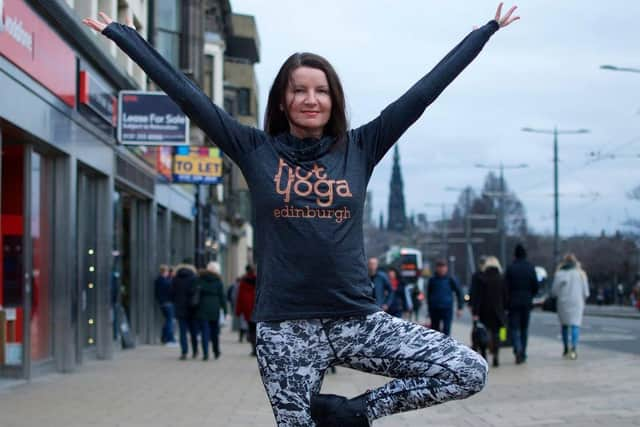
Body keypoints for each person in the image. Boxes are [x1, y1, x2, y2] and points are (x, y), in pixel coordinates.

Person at [83, 5, 518, 424]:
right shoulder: (255, 150)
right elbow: (190, 97)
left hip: (357, 320)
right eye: (299, 90)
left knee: (468, 370)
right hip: (285, 329)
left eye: (321, 90)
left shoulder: (360, 147)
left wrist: (485, 32)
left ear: (333, 98)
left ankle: (358, 413)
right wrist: (124, 37)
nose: (311, 99)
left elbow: (422, 94)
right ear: (283, 100)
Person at [551, 253, 590, 360]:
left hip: (563, 302)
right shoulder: (581, 274)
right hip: (577, 302)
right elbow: (586, 292)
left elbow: (554, 291)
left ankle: (565, 348)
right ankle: (574, 348)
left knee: (564, 326)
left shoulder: (560, 273)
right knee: (575, 325)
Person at [470, 256, 507, 367]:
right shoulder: (502, 278)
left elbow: (477, 296)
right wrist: (504, 308)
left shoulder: (481, 278)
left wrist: (475, 312)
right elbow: (506, 296)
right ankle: (496, 353)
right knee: (498, 332)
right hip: (498, 311)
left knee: (483, 333)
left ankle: (484, 354)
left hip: (484, 311)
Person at [505, 243, 538, 364]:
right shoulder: (530, 268)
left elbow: (505, 286)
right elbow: (535, 286)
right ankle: (523, 352)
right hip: (526, 302)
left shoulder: (511, 268)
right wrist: (530, 296)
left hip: (513, 302)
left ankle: (517, 349)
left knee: (514, 328)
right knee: (524, 329)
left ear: (515, 255)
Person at [195, 261, 228, 360]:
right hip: (215, 308)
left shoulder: (200, 279)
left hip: (202, 308)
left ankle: (205, 353)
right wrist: (225, 310)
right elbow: (222, 297)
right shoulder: (218, 281)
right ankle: (216, 351)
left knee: (204, 332)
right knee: (215, 332)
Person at [426, 259, 464, 336]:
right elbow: (429, 295)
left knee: (446, 331)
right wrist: (429, 310)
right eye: (439, 267)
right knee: (435, 332)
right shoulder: (432, 280)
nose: (441, 269)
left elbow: (459, 292)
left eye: (443, 267)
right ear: (436, 268)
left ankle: (446, 346)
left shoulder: (450, 279)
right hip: (435, 309)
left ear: (446, 268)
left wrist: (460, 308)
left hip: (447, 308)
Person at [169, 263, 199, 360]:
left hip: (180, 308)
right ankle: (195, 351)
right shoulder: (194, 278)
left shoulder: (176, 279)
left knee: (182, 332)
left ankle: (184, 352)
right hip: (192, 308)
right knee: (193, 331)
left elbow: (172, 294)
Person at [235, 265, 257, 356]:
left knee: (251, 330)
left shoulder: (243, 282)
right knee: (258, 330)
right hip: (258, 308)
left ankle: (253, 349)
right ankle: (258, 348)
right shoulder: (259, 281)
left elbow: (239, 297)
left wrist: (238, 311)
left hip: (248, 310)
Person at [154, 264, 177, 346]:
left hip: (164, 303)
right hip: (167, 303)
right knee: (170, 321)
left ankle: (164, 338)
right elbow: (170, 290)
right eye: (167, 271)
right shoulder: (164, 281)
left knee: (168, 320)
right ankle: (169, 339)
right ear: (165, 271)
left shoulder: (161, 280)